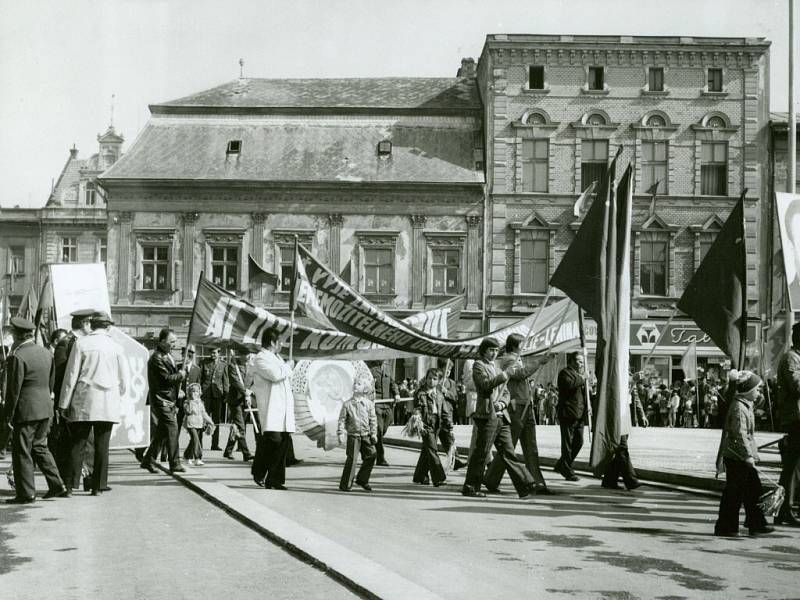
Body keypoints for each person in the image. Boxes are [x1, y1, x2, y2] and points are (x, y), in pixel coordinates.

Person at [58, 311, 127, 495]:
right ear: (108, 326)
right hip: (107, 403)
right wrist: (115, 395)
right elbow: (124, 381)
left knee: (78, 443)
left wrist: (63, 403)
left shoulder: (82, 343)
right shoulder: (116, 347)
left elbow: (71, 376)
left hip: (84, 400)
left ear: (92, 324)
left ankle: (70, 485)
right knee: (102, 446)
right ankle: (97, 486)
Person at [461, 337, 537, 499]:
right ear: (484, 351)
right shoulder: (478, 365)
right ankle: (470, 486)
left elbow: (507, 392)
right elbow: (486, 385)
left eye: (496, 350)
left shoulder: (495, 366)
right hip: (487, 415)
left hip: (502, 415)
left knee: (508, 452)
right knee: (482, 452)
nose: (494, 353)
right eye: (491, 350)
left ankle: (524, 486)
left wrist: (502, 404)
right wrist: (505, 374)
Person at [3, 317, 68, 503]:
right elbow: (51, 382)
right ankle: (58, 485)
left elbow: (13, 390)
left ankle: (26, 493)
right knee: (41, 447)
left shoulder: (17, 356)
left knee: (22, 451)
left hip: (26, 410)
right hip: (44, 408)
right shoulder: (46, 353)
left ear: (17, 335)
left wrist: (8, 416)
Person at [483, 333, 550, 495]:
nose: (525, 346)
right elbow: (520, 374)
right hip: (516, 407)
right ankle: (491, 478)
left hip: (526, 405)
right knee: (509, 448)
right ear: (514, 346)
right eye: (522, 344)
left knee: (530, 446)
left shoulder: (517, 358)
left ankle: (537, 482)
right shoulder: (509, 360)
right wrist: (539, 362)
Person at [714, 371, 774, 537]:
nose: (759, 392)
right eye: (757, 389)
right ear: (748, 390)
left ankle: (755, 522)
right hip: (737, 456)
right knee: (736, 492)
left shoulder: (744, 404)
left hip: (739, 455)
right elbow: (740, 434)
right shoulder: (739, 408)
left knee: (752, 490)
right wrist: (748, 455)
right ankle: (727, 526)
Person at [52, 308, 95, 485]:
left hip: (82, 399)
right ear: (84, 324)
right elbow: (60, 376)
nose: (92, 328)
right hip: (70, 401)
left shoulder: (83, 342)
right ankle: (69, 480)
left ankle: (88, 478)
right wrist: (63, 403)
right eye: (91, 323)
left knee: (86, 441)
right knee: (70, 442)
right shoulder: (66, 343)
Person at [251, 329, 294, 490]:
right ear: (272, 342)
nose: (281, 345)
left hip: (282, 407)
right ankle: (258, 471)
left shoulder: (277, 357)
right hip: (271, 406)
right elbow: (275, 375)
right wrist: (288, 367)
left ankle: (275, 480)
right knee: (273, 440)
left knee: (283, 441)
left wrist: (286, 367)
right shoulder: (261, 358)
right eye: (279, 342)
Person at [140, 328, 187, 474]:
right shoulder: (156, 358)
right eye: (171, 341)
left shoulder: (168, 355)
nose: (174, 344)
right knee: (172, 428)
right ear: (162, 342)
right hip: (161, 400)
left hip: (168, 399)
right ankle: (175, 463)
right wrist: (180, 375)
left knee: (161, 432)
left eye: (175, 341)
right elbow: (166, 379)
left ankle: (148, 460)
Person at [775, 322, 800, 527]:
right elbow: (797, 386)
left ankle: (787, 509)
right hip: (796, 418)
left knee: (795, 466)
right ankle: (786, 510)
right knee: (792, 466)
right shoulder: (791, 358)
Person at [601, 383, 647, 490]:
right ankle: (631, 480)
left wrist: (641, 415)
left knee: (619, 452)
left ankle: (609, 480)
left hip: (626, 417)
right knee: (622, 448)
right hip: (616, 417)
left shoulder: (629, 376)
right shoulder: (615, 374)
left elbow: (635, 398)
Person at [337, 374, 377, 491]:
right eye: (354, 383)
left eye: (359, 384)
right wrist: (340, 433)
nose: (355, 385)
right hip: (353, 436)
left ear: (365, 388)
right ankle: (346, 484)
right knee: (352, 459)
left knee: (372, 455)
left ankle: (362, 479)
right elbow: (342, 420)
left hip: (366, 435)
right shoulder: (347, 404)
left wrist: (373, 433)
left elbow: (373, 420)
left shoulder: (369, 404)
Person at [554, 352, 588, 482]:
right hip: (568, 413)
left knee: (579, 442)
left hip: (580, 414)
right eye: (579, 361)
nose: (581, 364)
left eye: (582, 362)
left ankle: (561, 464)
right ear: (572, 361)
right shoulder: (565, 373)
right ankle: (567, 470)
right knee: (567, 444)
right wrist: (582, 378)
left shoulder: (580, 375)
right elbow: (568, 385)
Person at [412, 368, 448, 487]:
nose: (431, 381)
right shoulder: (420, 393)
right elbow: (417, 407)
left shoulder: (440, 393)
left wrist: (449, 426)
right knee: (432, 449)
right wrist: (417, 417)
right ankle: (439, 478)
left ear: (439, 380)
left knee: (426, 450)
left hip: (437, 423)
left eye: (434, 379)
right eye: (429, 378)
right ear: (425, 379)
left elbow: (444, 411)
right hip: (425, 424)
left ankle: (420, 476)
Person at [223, 350, 254, 461]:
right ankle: (246, 453)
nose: (247, 356)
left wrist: (250, 392)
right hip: (235, 400)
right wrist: (244, 391)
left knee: (238, 427)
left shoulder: (252, 367)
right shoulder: (233, 366)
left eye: (248, 354)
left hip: (246, 401)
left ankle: (228, 450)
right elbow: (235, 381)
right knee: (241, 427)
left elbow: (254, 382)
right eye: (244, 354)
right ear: (240, 355)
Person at [370, 360, 399, 467]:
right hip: (376, 404)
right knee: (379, 430)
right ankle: (380, 457)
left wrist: (396, 394)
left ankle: (368, 445)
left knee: (385, 426)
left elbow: (392, 383)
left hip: (387, 405)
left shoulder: (388, 368)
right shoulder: (370, 370)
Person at [200, 347, 228, 451]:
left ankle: (214, 444)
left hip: (217, 395)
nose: (213, 355)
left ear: (219, 353)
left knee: (216, 420)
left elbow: (225, 381)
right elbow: (200, 378)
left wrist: (226, 394)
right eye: (211, 353)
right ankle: (199, 443)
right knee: (203, 419)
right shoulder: (204, 363)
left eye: (215, 353)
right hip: (205, 395)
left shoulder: (223, 364)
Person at [183, 383, 214, 466]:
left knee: (193, 441)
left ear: (199, 392)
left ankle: (186, 456)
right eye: (193, 391)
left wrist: (210, 421)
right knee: (196, 440)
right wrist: (190, 401)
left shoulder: (201, 403)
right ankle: (197, 458)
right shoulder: (187, 402)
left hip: (199, 424)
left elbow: (204, 413)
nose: (195, 393)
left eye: (196, 391)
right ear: (189, 393)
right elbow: (188, 411)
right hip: (190, 424)